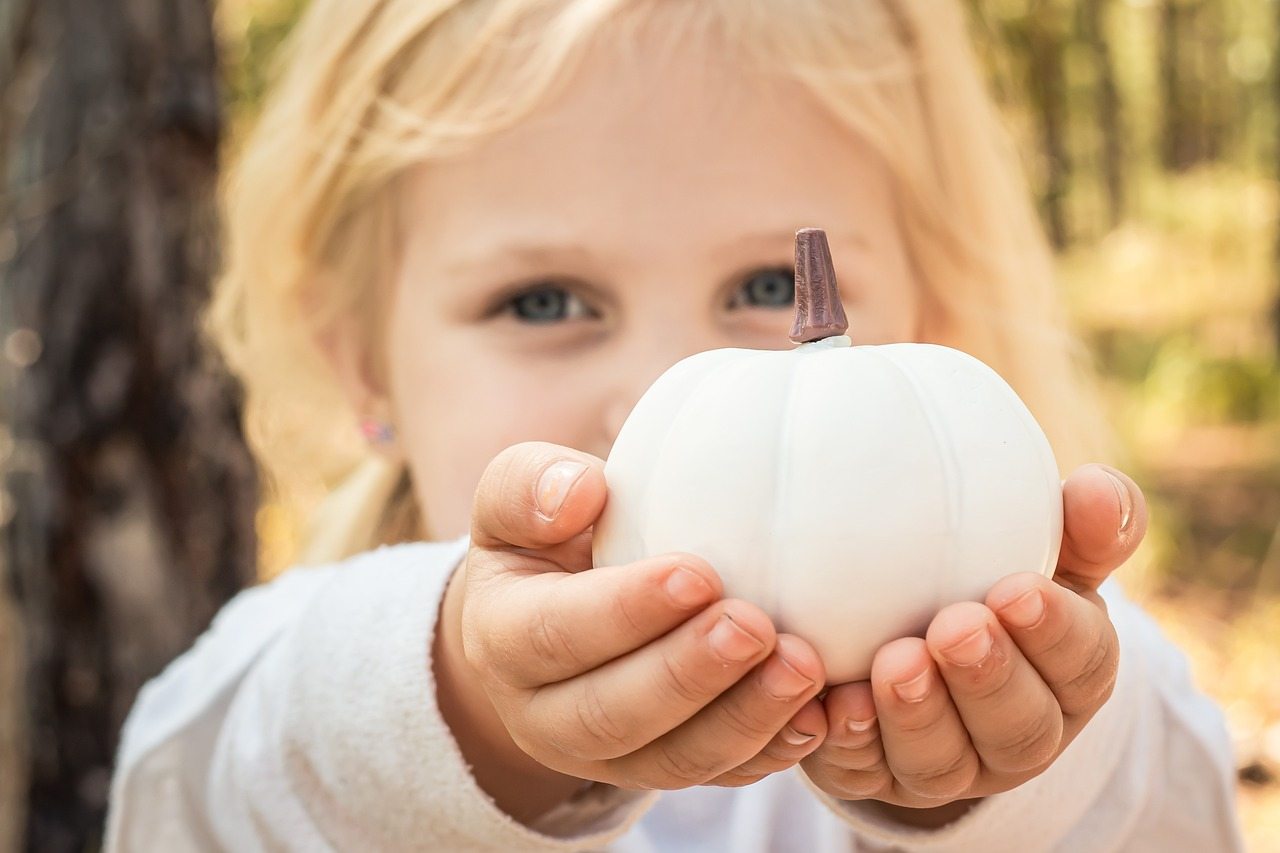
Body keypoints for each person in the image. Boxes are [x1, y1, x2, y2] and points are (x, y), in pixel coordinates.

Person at [104, 0, 1244, 849]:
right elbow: (214, 785)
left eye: (765, 292)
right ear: (360, 359)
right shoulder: (291, 669)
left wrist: (982, 773)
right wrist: (476, 709)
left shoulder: (1031, 637)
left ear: (928, 319)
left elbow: (1159, 796)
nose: (660, 396)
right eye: (543, 302)